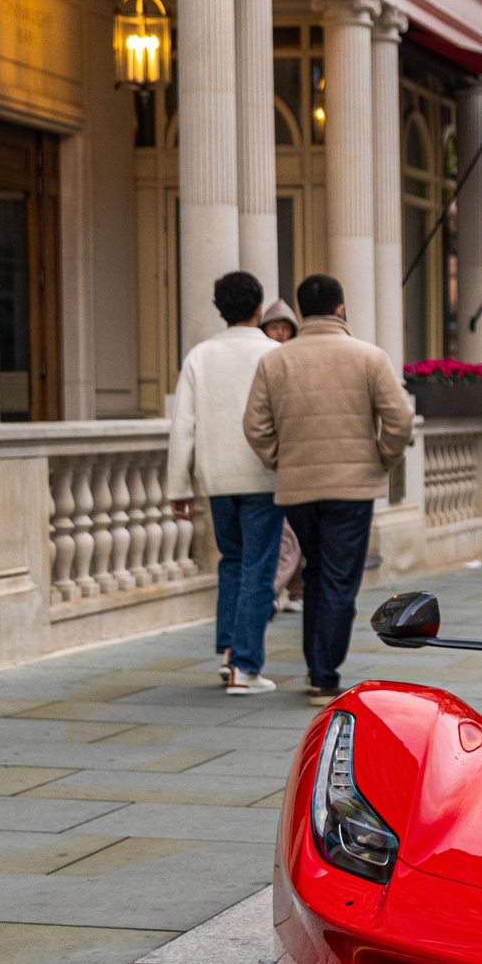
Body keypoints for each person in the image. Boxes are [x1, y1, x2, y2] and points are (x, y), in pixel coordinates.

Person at [244, 272, 415, 701]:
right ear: (341, 309)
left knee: (316, 573)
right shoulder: (369, 356)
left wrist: (281, 461)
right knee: (339, 579)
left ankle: (315, 666)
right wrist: (383, 458)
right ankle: (324, 673)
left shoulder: (274, 361)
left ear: (302, 311)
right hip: (352, 488)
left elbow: (255, 426)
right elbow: (400, 419)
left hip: (298, 487)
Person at [165, 271, 282, 696]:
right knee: (258, 566)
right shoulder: (273, 354)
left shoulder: (200, 355)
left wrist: (179, 486)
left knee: (232, 561)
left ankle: (230, 653)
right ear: (258, 307)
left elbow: (183, 426)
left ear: (220, 309)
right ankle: (245, 667)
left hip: (215, 478)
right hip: (263, 473)